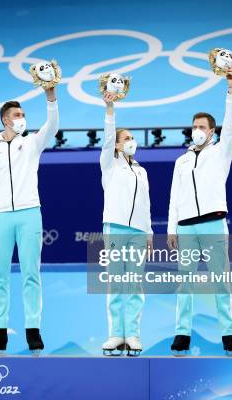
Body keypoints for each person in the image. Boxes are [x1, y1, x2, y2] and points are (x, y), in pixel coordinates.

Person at [0, 85, 58, 355]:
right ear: (5, 119)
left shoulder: (32, 142)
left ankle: (33, 330)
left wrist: (50, 97)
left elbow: (53, 125)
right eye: (17, 114)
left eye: (23, 113)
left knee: (31, 274)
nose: (22, 117)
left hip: (29, 213)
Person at [167, 66, 232, 356]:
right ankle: (182, 333)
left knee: (221, 281)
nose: (197, 131)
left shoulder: (221, 153)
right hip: (185, 227)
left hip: (213, 224)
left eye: (202, 127)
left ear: (211, 131)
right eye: (194, 127)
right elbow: (174, 196)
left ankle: (229, 333)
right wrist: (172, 227)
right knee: (185, 284)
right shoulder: (181, 162)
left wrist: (231, 90)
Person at [99, 91, 153, 356]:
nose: (131, 141)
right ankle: (115, 334)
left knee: (134, 282)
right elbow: (108, 138)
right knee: (115, 282)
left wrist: (150, 231)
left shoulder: (142, 171)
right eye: (126, 138)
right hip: (115, 228)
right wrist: (110, 110)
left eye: (132, 138)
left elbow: (146, 204)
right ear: (117, 146)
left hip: (139, 233)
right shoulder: (109, 165)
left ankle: (132, 333)